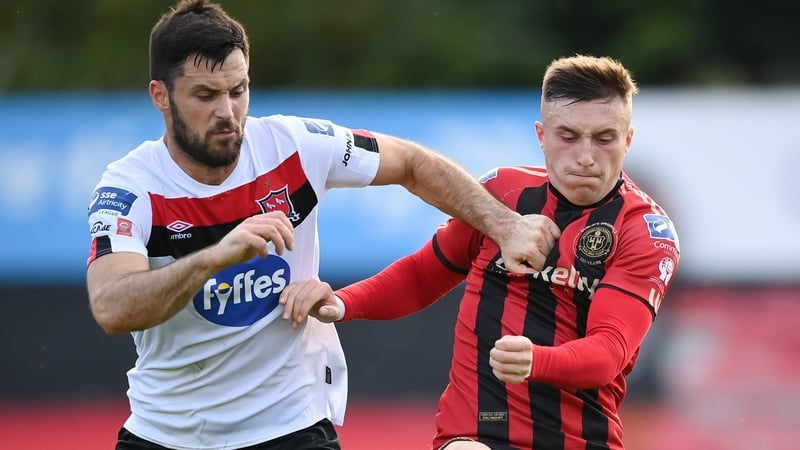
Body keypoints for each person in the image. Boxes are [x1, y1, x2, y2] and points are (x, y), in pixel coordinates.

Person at [84, 1, 559, 449]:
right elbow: (111, 306)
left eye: (239, 90)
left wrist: (505, 225)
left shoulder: (295, 145)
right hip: (168, 433)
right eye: (205, 95)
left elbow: (412, 163)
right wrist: (216, 256)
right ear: (160, 96)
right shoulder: (129, 187)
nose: (227, 112)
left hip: (292, 425)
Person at [280, 54, 681, 450]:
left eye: (604, 139)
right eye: (569, 137)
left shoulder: (644, 231)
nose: (586, 156)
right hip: (476, 434)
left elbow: (609, 351)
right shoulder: (502, 194)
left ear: (627, 140)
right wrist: (342, 302)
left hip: (581, 438)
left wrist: (535, 361)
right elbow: (423, 275)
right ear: (542, 135)